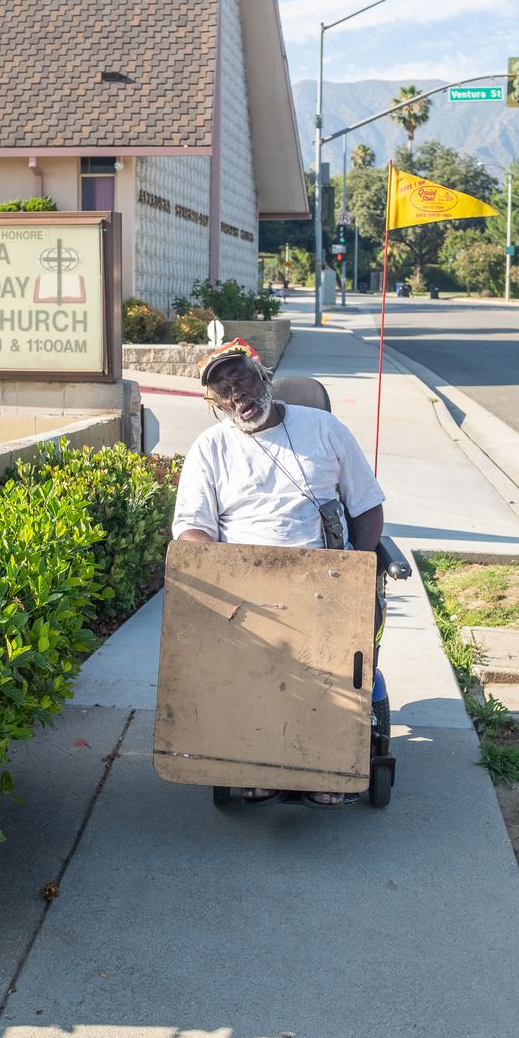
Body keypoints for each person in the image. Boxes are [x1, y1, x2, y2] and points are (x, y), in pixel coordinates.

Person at [172, 338, 385, 808]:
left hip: (327, 579)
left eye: (242, 378)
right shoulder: (210, 447)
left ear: (262, 374)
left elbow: (367, 506)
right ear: (214, 402)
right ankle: (256, 761)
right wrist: (228, 578)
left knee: (329, 662)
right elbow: (190, 529)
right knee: (251, 667)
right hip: (247, 588)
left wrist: (359, 568)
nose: (237, 394)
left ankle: (327, 766)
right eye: (222, 389)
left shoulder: (324, 428)